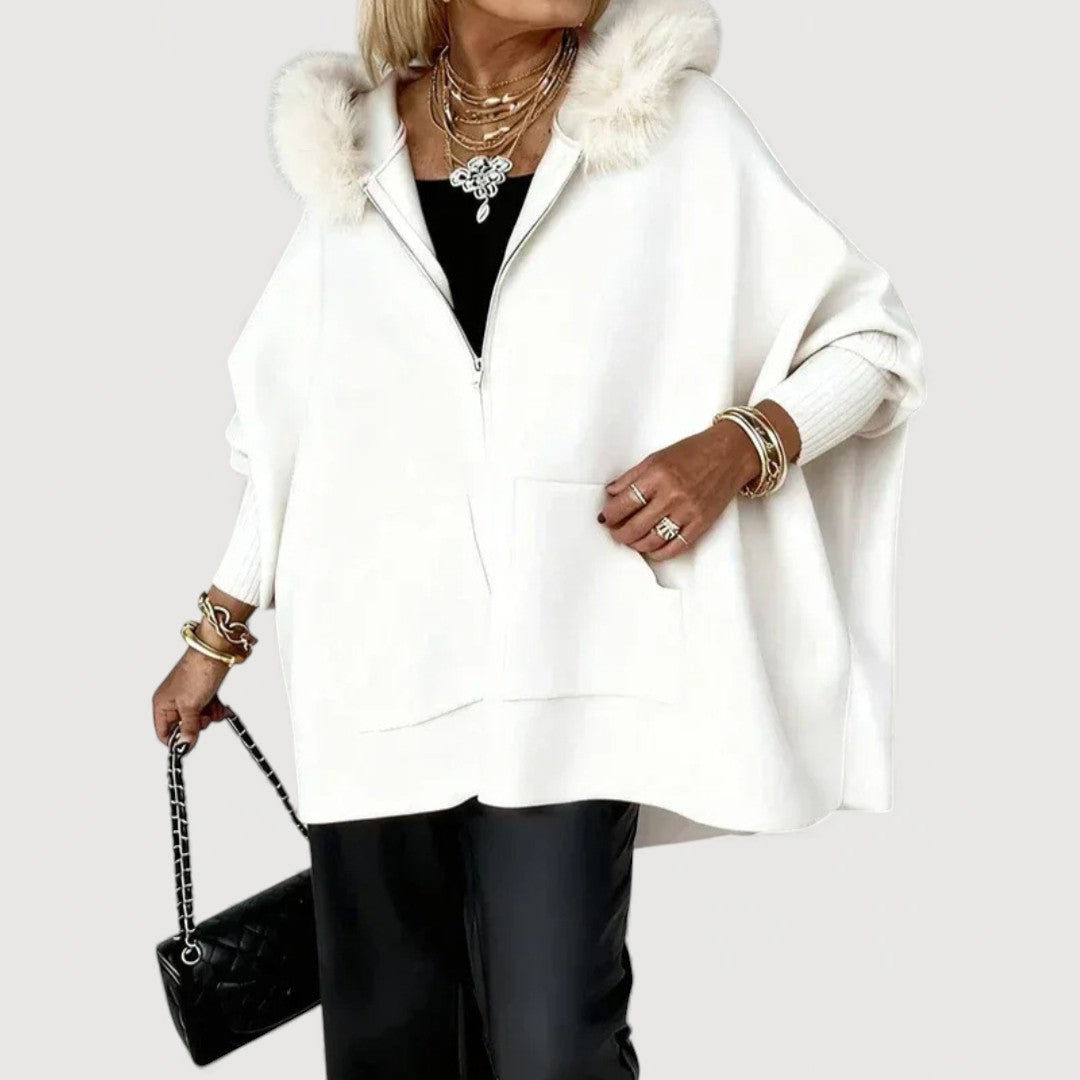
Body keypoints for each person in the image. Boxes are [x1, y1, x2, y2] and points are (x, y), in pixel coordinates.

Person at [152, 1, 925, 1076]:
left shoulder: (666, 124)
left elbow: (871, 343)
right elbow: (289, 432)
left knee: (555, 1046)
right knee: (390, 1054)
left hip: (573, 665)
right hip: (370, 677)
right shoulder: (353, 150)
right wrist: (217, 631)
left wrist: (737, 447)